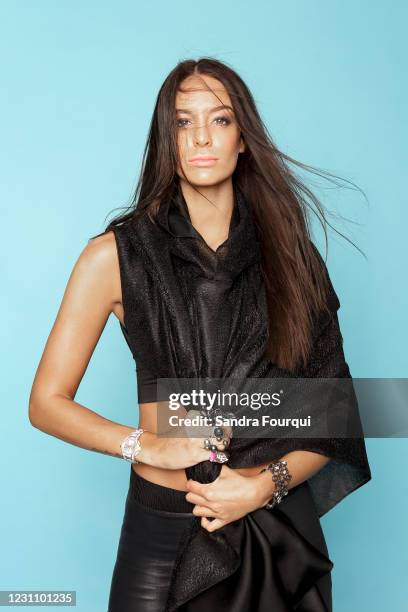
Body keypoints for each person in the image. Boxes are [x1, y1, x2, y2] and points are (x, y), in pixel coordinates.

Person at [29, 57, 371, 612]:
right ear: (166, 141)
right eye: (183, 123)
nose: (201, 137)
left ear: (244, 139)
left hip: (274, 527)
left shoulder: (292, 258)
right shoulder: (113, 257)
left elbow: (336, 412)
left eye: (220, 119)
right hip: (162, 533)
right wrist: (150, 445)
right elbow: (44, 404)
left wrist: (262, 487)